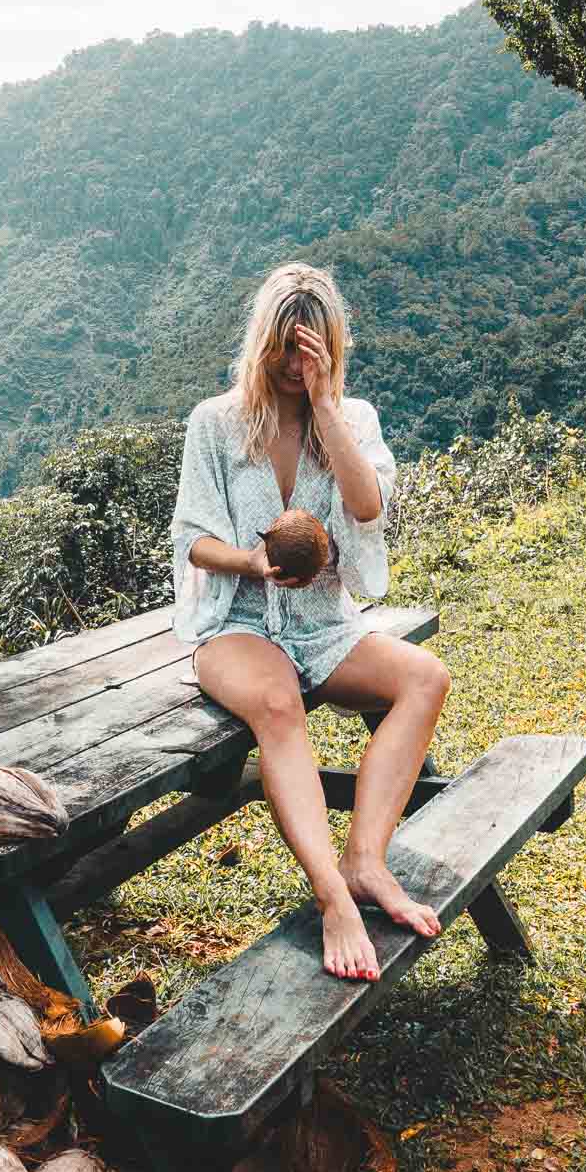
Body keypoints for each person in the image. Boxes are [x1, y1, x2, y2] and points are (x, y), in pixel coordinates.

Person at [171, 262, 450, 983]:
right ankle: (333, 895)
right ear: (260, 343)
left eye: (312, 352)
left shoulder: (354, 421)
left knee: (424, 678)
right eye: (285, 350)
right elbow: (193, 539)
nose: (296, 367)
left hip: (325, 621)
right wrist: (252, 563)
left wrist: (327, 408)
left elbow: (366, 509)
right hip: (238, 622)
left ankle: (365, 859)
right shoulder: (216, 423)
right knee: (278, 704)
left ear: (331, 349)